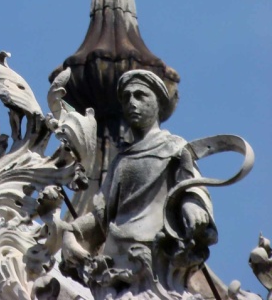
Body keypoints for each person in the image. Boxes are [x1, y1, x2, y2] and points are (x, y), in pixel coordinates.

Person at [61, 69, 216, 291]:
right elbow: (101, 215)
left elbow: (191, 186)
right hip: (116, 261)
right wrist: (72, 231)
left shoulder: (174, 148)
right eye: (126, 98)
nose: (132, 103)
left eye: (140, 96)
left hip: (156, 256)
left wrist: (192, 206)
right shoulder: (120, 161)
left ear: (159, 103)